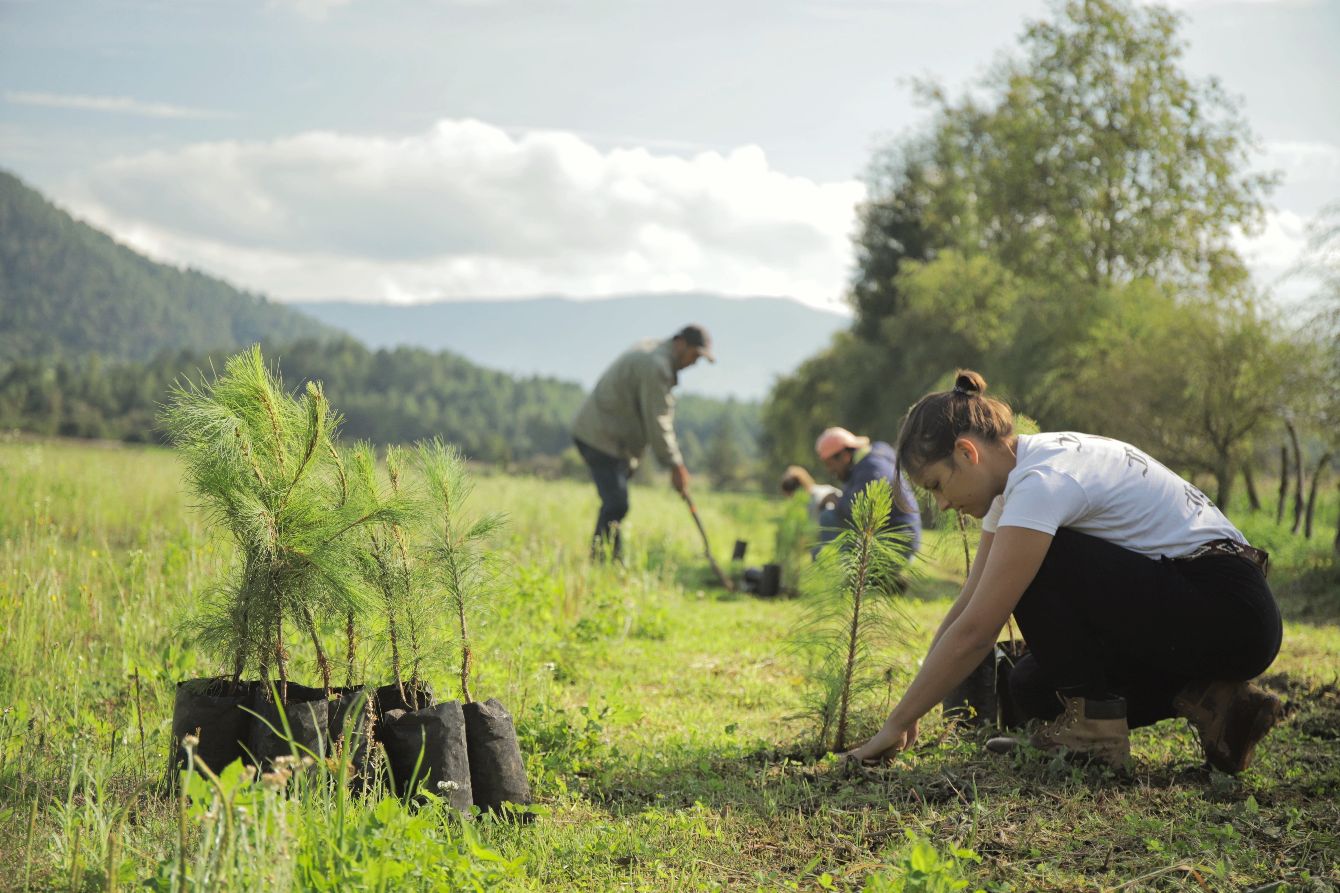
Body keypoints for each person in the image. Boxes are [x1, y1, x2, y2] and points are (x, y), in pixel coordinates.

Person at [846, 370, 1283, 773]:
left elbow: (979, 629)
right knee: (1032, 686)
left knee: (1039, 559)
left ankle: (1096, 733)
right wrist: (910, 713)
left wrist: (896, 724)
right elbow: (969, 601)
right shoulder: (1016, 481)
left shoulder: (1042, 482)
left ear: (966, 452)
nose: (941, 504)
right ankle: (1217, 702)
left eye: (938, 485)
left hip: (1228, 608)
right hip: (1199, 611)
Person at [571, 324, 714, 561]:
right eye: (694, 356)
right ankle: (603, 562)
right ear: (680, 344)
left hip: (607, 437)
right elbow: (657, 421)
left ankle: (606, 560)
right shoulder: (656, 366)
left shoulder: (655, 352)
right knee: (617, 503)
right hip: (599, 436)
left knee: (615, 503)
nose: (694, 363)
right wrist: (675, 464)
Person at [813, 426, 922, 560]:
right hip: (896, 538)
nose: (830, 470)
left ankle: (836, 573)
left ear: (845, 456)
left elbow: (857, 512)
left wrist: (835, 499)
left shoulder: (871, 469)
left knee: (828, 517)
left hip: (896, 543)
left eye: (830, 464)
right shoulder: (867, 464)